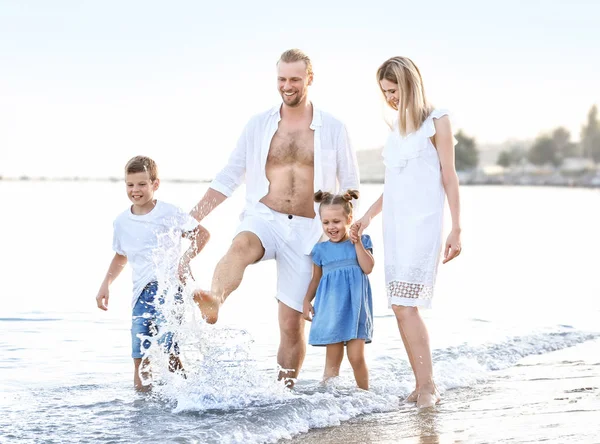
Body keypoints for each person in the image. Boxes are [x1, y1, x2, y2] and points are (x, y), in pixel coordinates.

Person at [189, 49, 360, 385]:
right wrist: (193, 217)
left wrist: (344, 235)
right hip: (265, 216)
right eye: (281, 79)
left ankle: (285, 394)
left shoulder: (335, 128)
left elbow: (351, 185)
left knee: (290, 323)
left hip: (311, 231)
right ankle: (215, 298)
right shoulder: (259, 125)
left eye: (294, 79)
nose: (287, 85)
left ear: (309, 78)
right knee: (240, 245)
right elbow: (230, 175)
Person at [351, 56, 462, 408]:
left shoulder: (437, 121)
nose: (390, 98)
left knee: (406, 306)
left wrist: (456, 227)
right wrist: (367, 216)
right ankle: (421, 383)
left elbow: (449, 176)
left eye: (394, 90)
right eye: (385, 92)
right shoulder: (396, 130)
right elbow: (393, 185)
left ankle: (429, 386)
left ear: (410, 84)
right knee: (399, 307)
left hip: (423, 224)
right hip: (395, 227)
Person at [95, 155, 210, 391]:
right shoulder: (121, 222)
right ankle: (142, 413)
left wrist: (184, 261)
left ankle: (188, 399)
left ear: (155, 184)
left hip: (169, 292)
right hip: (140, 296)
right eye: (130, 184)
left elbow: (202, 235)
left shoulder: (168, 212)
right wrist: (106, 284)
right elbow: (121, 256)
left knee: (170, 352)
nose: (135, 190)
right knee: (140, 359)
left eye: (142, 184)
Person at [303, 190, 374, 390]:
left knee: (356, 357)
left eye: (336, 221)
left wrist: (357, 241)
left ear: (349, 219)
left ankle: (365, 396)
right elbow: (316, 279)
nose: (331, 227)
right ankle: (328, 401)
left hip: (356, 310)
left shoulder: (362, 242)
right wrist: (306, 300)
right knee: (332, 362)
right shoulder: (320, 250)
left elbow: (368, 268)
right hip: (331, 311)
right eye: (326, 223)